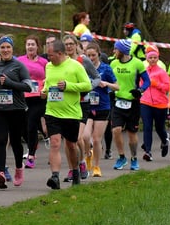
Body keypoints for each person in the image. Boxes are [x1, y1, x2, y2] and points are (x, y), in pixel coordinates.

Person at [41, 40, 92, 189]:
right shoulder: (48, 66)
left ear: (60, 53)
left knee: (71, 145)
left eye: (51, 55)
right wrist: (44, 91)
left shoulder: (76, 66)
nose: (49, 58)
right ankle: (55, 176)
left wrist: (69, 86)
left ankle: (75, 170)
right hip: (52, 111)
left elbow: (87, 85)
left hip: (71, 113)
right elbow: (48, 84)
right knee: (55, 143)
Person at [0, 36, 32, 188]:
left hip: (16, 109)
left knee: (15, 141)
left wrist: (10, 83)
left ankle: (19, 168)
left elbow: (28, 87)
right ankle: (0, 172)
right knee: (0, 140)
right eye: (2, 47)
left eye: (8, 47)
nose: (5, 50)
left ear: (12, 49)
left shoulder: (19, 66)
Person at [62, 34, 101, 182]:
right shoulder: (60, 62)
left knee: (77, 138)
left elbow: (97, 77)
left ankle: (82, 162)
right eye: (66, 44)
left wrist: (88, 87)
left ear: (76, 44)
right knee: (67, 140)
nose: (69, 47)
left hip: (82, 103)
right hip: (66, 104)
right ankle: (73, 169)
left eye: (71, 43)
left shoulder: (83, 60)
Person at [110, 39, 151, 171]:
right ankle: (122, 157)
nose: (114, 51)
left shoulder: (137, 63)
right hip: (118, 102)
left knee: (131, 133)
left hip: (132, 103)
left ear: (122, 51)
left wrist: (140, 90)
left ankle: (134, 158)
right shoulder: (113, 63)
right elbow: (109, 79)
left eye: (116, 49)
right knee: (115, 130)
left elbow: (147, 81)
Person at [83, 42, 117, 177]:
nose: (91, 58)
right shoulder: (83, 68)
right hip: (87, 105)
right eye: (88, 55)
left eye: (93, 55)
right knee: (85, 136)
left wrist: (106, 84)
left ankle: (96, 166)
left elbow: (117, 86)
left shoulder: (106, 69)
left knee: (97, 139)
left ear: (98, 54)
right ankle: (87, 154)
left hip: (103, 106)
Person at [17, 35, 48, 169]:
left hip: (38, 98)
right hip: (23, 97)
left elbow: (49, 77)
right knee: (24, 127)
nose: (30, 47)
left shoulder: (43, 62)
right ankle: (35, 146)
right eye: (28, 44)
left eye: (33, 44)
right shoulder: (19, 61)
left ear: (37, 47)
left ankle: (31, 155)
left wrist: (45, 90)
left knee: (31, 125)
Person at [140, 49, 170, 161]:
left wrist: (156, 84)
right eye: (150, 57)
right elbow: (141, 85)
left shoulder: (162, 72)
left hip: (160, 103)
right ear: (147, 59)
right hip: (145, 102)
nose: (152, 59)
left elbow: (167, 87)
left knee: (159, 127)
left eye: (154, 58)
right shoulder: (144, 72)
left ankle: (164, 141)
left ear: (158, 59)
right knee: (147, 126)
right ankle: (148, 152)